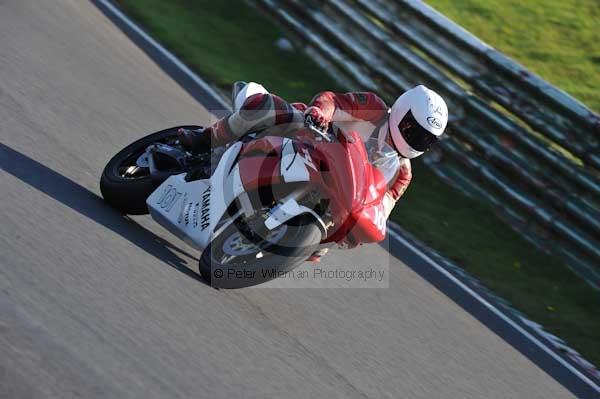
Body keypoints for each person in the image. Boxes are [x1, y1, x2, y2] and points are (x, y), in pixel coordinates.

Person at [178, 82, 448, 261]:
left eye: (424, 138)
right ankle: (205, 139)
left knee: (342, 234)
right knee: (268, 108)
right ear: (402, 111)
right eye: (412, 128)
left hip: (330, 192)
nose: (414, 139)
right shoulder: (375, 109)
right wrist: (321, 112)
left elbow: (378, 211)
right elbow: (335, 101)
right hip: (304, 141)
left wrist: (338, 239)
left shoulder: (402, 174)